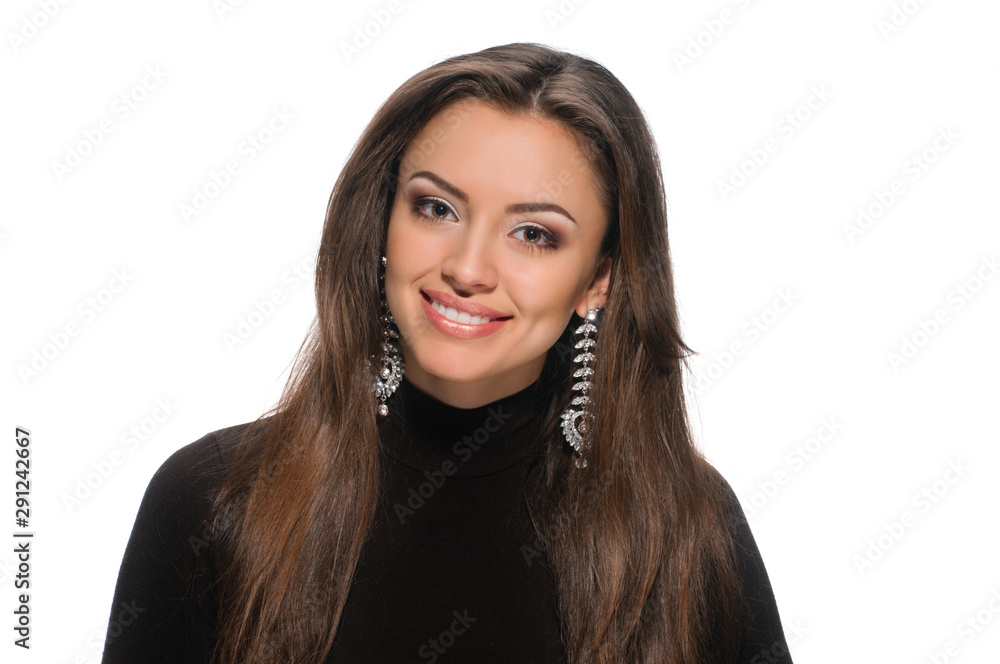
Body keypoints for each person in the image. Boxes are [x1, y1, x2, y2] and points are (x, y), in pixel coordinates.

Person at [101, 42, 793, 663]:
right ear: (382, 223)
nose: (467, 268)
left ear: (598, 279)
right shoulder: (214, 501)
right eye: (437, 209)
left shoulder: (689, 533)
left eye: (533, 234)